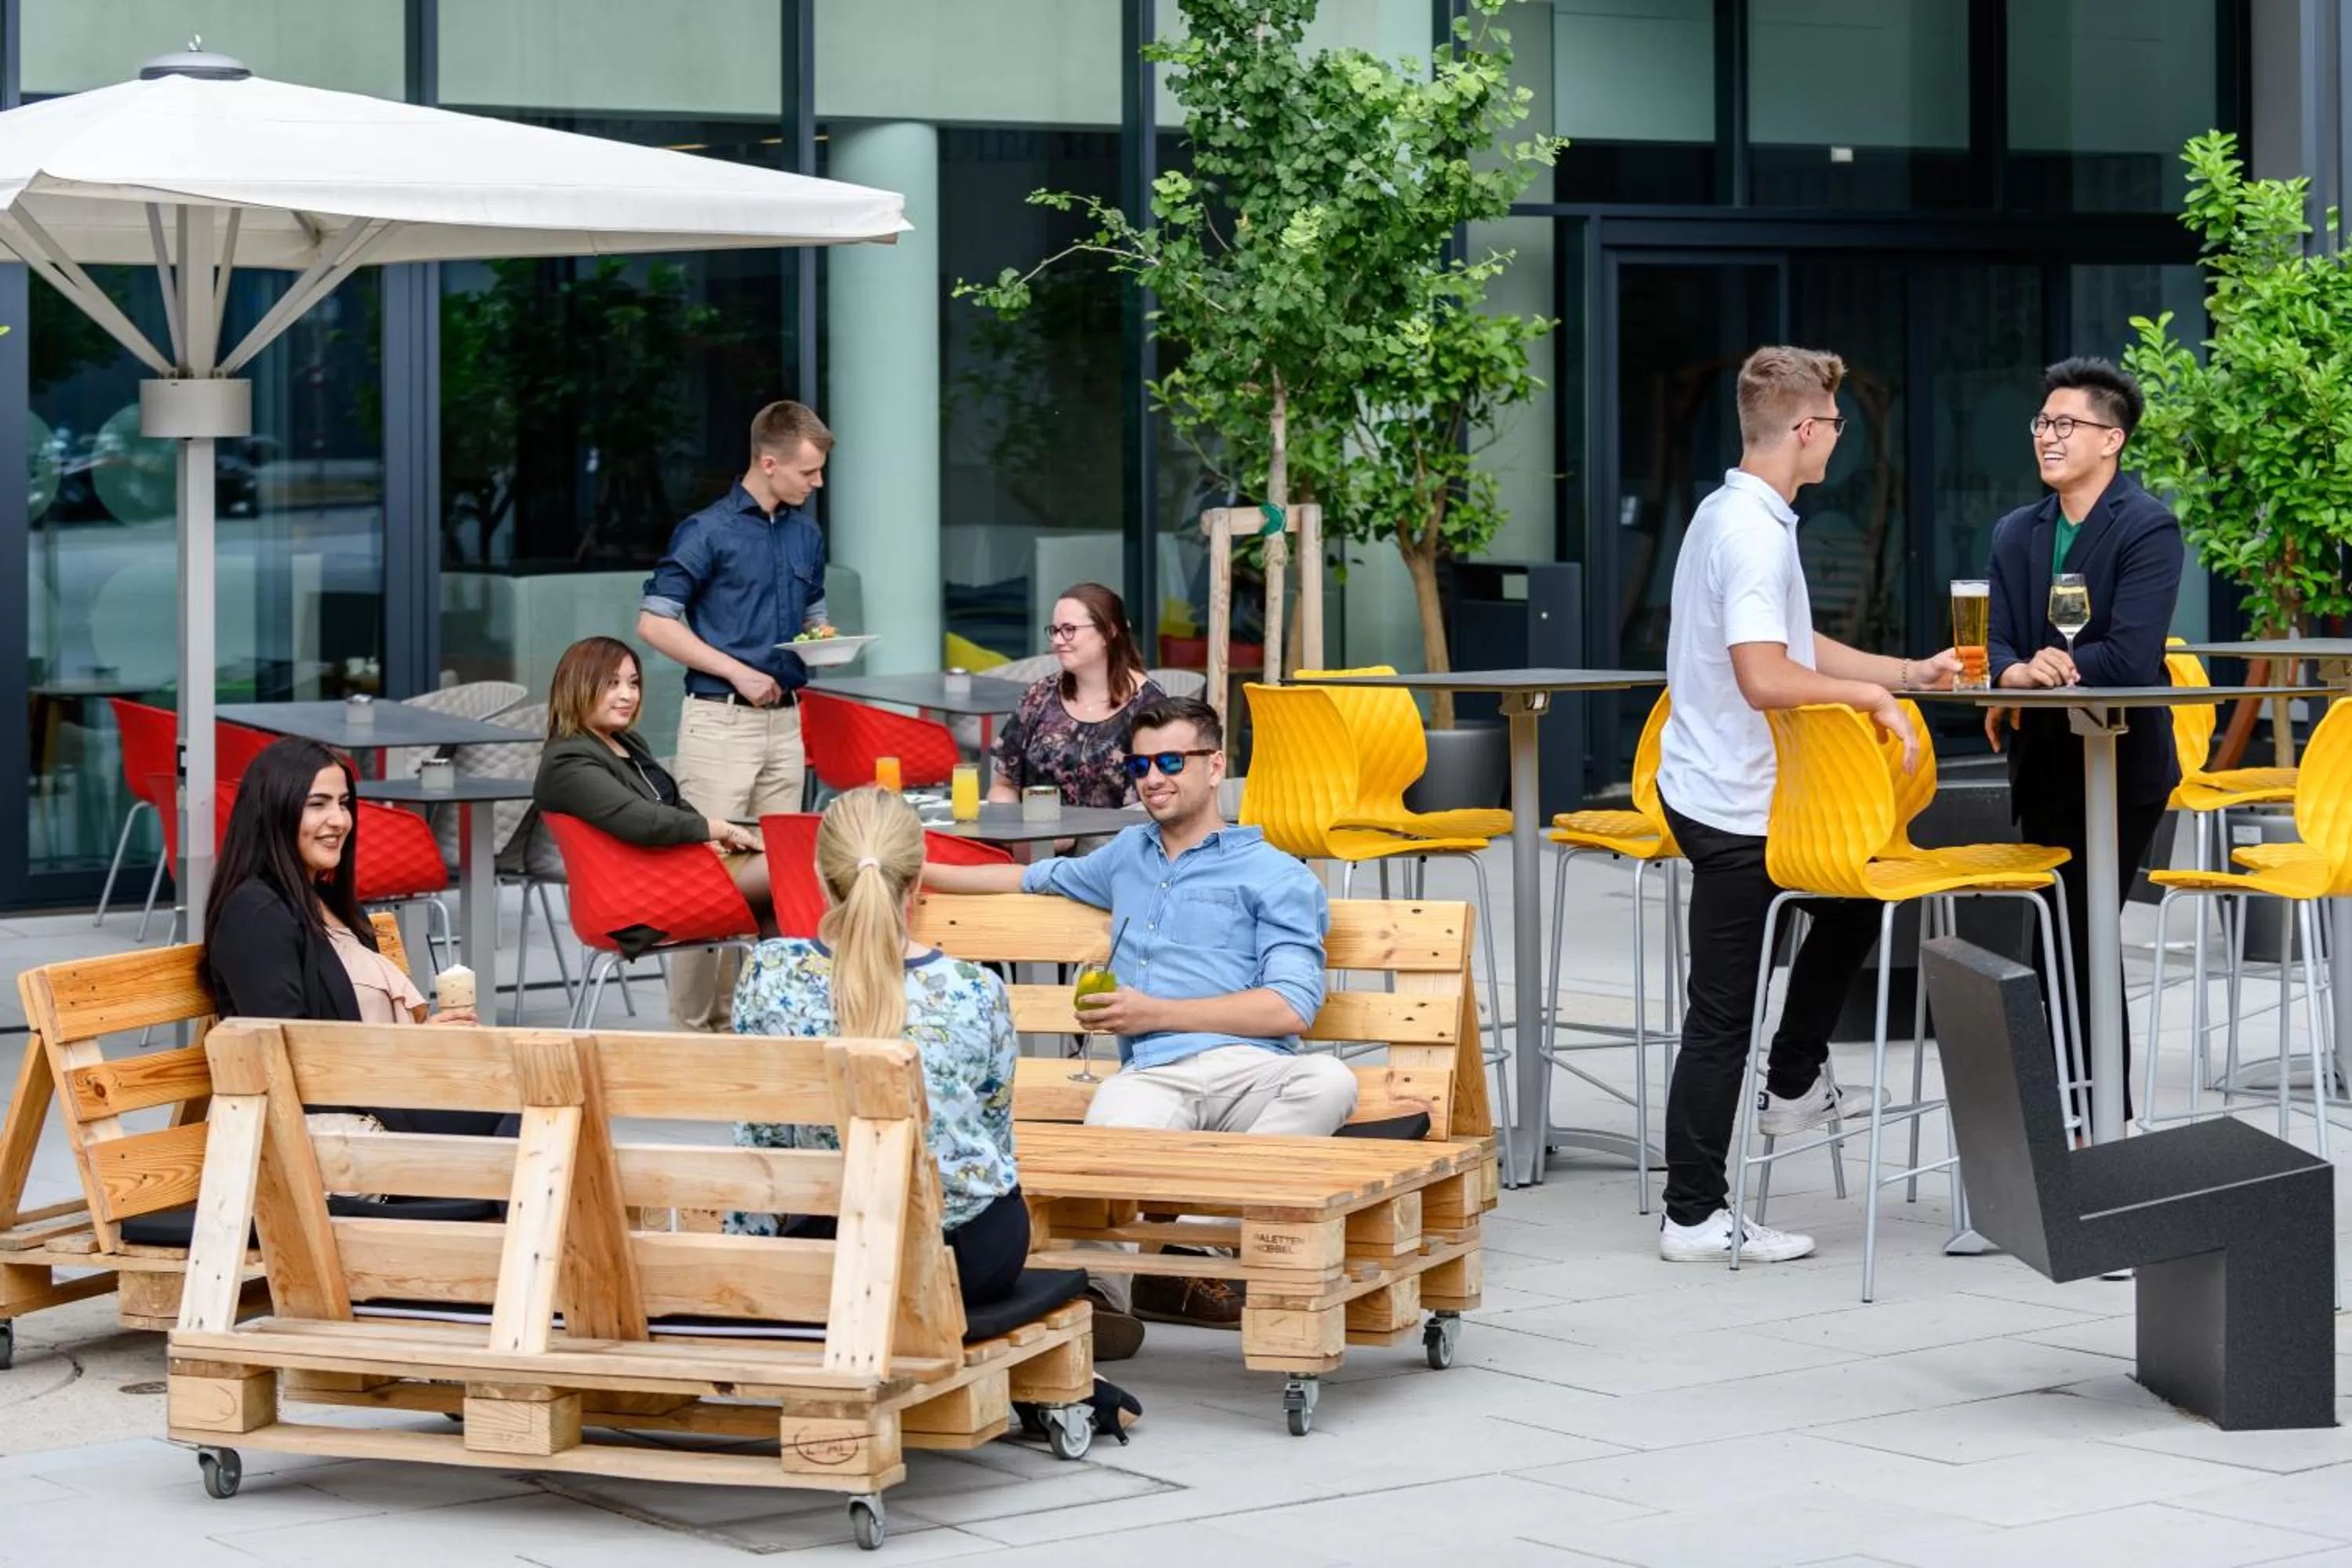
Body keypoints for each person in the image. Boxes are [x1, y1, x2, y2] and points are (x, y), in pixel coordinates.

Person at [920, 694, 1353, 1356]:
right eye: (1141, 763)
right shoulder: (1127, 855)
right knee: (1107, 1132)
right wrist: (912, 872)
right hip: (1154, 1073)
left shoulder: (1276, 874)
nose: (1153, 777)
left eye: (1173, 760)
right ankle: (1099, 1297)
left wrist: (1156, 1012)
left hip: (1253, 1072)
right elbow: (1029, 879)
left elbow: (1292, 1007)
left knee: (1329, 1080)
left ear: (1216, 768)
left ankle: (1195, 1235)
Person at [1653, 345, 1961, 1265]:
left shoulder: (1735, 513)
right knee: (1720, 1014)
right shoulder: (1752, 531)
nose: (1839, 437)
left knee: (1859, 889)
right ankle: (1694, 1215)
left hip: (1731, 791)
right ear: (1803, 428)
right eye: (1833, 424)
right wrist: (1868, 700)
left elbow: (1795, 639)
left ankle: (1791, 1077)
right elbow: (1763, 674)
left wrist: (1906, 672)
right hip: (1734, 803)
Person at [728, 787, 1028, 1308]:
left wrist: (752, 1265)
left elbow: (762, 1132)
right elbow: (993, 1134)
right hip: (966, 1258)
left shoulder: (769, 973)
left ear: (822, 877)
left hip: (831, 1247)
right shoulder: (975, 988)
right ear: (916, 880)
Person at [1985, 357, 2183, 1123]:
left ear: (2113, 440)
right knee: (2060, 938)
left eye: (2066, 424)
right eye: (2042, 422)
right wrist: (2018, 671)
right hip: (2045, 763)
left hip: (2121, 763)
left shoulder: (2146, 527)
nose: (2048, 436)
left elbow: (2132, 657)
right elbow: (1998, 649)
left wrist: (2046, 669)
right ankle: (2076, 1117)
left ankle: (2100, 1117)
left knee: (2083, 931)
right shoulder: (2016, 532)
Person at [636, 400, 833, 1029]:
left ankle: (761, 1019)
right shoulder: (707, 531)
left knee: (785, 872)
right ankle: (697, 1031)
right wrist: (735, 669)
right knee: (710, 871)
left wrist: (825, 636)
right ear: (768, 462)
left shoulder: (806, 532)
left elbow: (812, 616)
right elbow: (654, 622)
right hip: (720, 721)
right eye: (808, 472)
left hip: (786, 722)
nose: (817, 483)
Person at [203, 735, 497, 1138]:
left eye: (343, 803)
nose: (340, 820)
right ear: (273, 813)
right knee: (530, 1114)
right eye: (317, 804)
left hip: (385, 1096)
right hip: (330, 1124)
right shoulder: (255, 913)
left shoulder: (335, 905)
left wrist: (429, 1039)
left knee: (534, 1099)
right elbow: (290, 1052)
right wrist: (414, 1049)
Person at [521, 637, 775, 965]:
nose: (628, 695)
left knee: (786, 886)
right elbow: (643, 822)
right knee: (793, 869)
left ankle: (785, 1003)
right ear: (578, 686)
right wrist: (718, 829)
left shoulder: (627, 742)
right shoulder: (568, 761)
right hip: (638, 900)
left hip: (676, 873)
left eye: (633, 683)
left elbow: (673, 807)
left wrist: (716, 843)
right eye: (612, 684)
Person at [991, 582, 1167, 809]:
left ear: (1108, 632)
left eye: (1069, 630)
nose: (1057, 641)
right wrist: (1017, 836)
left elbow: (1156, 803)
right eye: (1054, 631)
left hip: (1116, 841)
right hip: (1036, 841)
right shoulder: (1040, 696)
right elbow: (1004, 786)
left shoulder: (1150, 706)